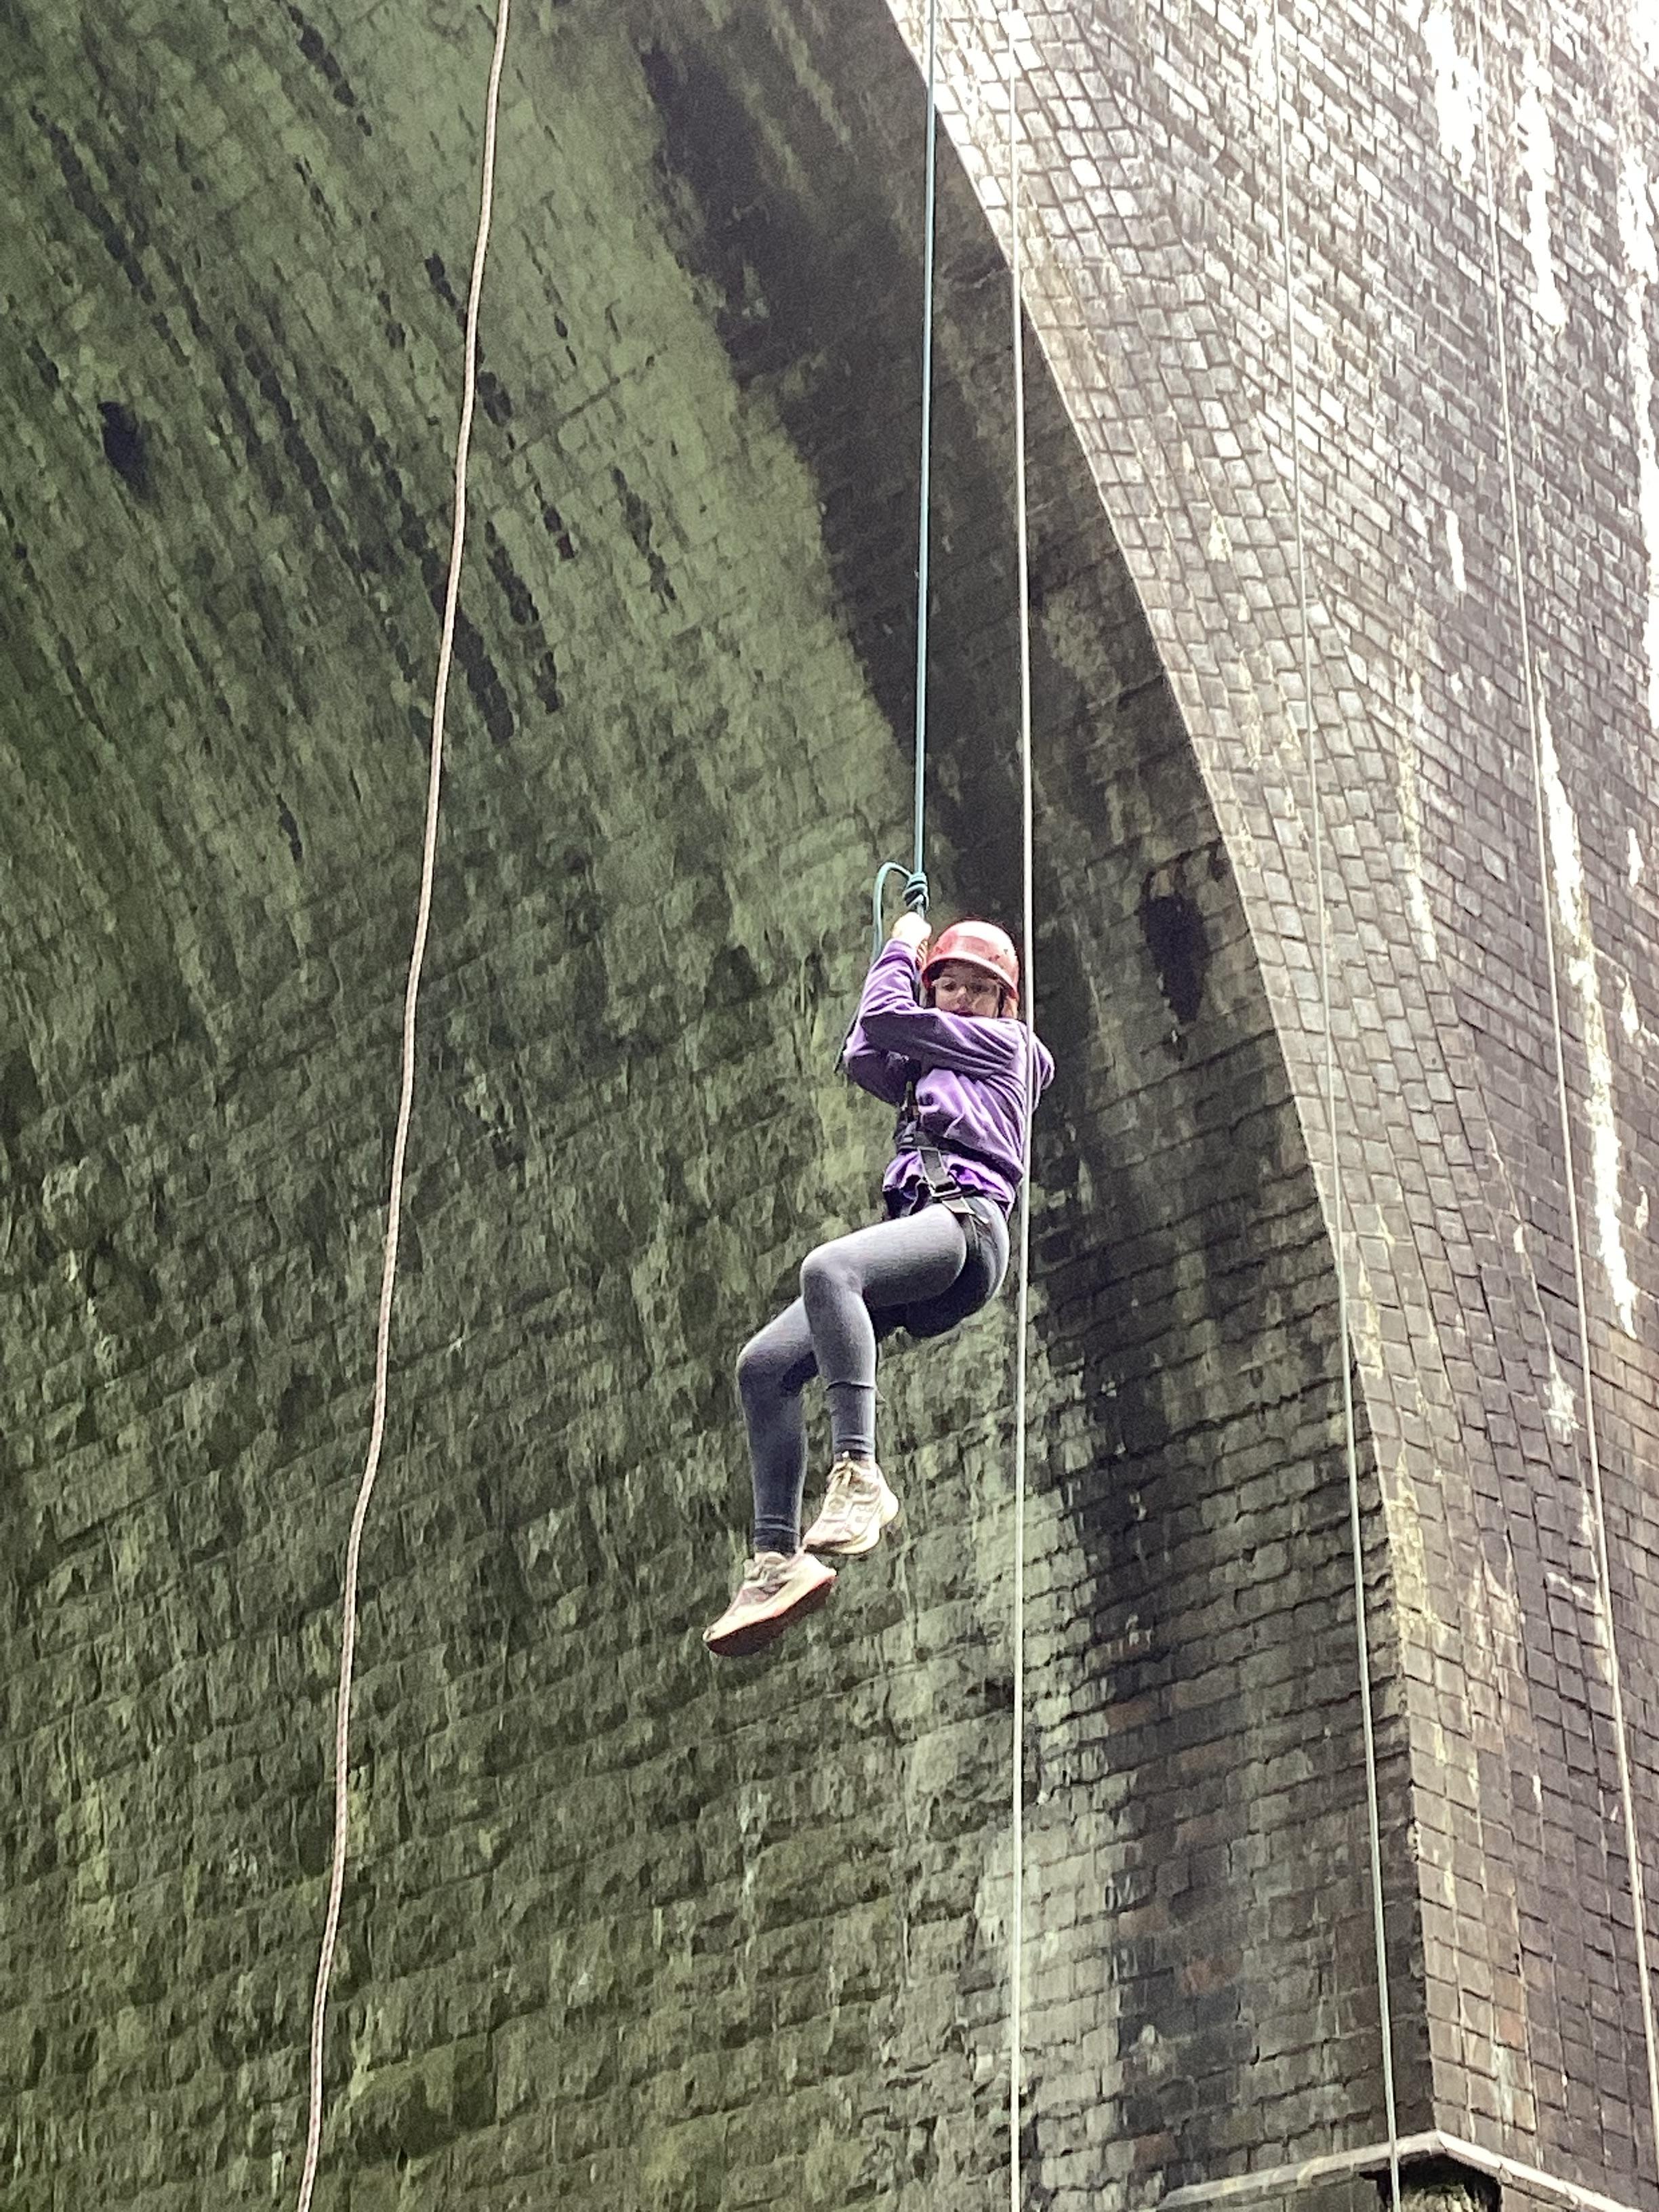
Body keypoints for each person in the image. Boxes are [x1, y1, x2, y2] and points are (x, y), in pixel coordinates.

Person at [703, 909, 1054, 1658]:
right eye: (948, 985)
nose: (961, 999)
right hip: (927, 1236)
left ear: (1006, 1003)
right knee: (763, 1367)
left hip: (965, 1228)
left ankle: (859, 1472)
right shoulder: (930, 1062)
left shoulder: (1011, 1048)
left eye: (979, 988)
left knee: (829, 1270)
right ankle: (775, 1563)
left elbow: (888, 1019)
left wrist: (901, 947)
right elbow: (864, 1050)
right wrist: (894, 964)